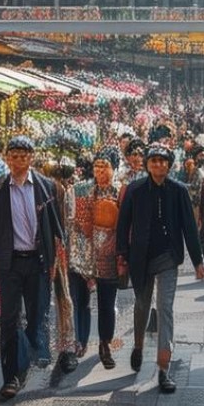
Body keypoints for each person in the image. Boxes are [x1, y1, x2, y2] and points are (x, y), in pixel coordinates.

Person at [0, 135, 66, 401]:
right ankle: (11, 376)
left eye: (23, 156)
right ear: (7, 158)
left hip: (37, 262)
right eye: (13, 156)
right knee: (9, 320)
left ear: (32, 158)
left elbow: (55, 227)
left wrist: (55, 261)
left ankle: (24, 357)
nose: (18, 161)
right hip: (9, 263)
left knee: (37, 317)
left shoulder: (46, 187)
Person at [117, 143, 204, 393]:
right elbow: (123, 224)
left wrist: (198, 261)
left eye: (163, 161)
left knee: (165, 308)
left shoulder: (179, 191)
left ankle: (163, 368)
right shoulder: (135, 190)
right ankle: (137, 345)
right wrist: (122, 254)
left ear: (169, 164)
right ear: (147, 164)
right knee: (142, 305)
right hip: (140, 258)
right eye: (154, 161)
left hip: (168, 256)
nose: (158, 165)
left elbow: (189, 226)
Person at [66, 149, 122, 370]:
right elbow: (70, 219)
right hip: (81, 253)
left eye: (104, 165)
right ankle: (80, 340)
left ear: (113, 168)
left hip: (108, 256)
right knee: (80, 300)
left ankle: (105, 344)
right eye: (97, 165)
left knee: (106, 304)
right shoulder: (79, 189)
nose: (99, 170)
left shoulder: (121, 192)